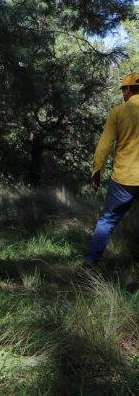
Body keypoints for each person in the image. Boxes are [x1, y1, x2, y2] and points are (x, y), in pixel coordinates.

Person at [85, 73, 139, 266]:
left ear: (128, 89)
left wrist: (96, 171)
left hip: (124, 179)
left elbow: (104, 145)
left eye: (123, 90)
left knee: (107, 221)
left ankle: (90, 263)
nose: (123, 94)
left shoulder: (118, 111)